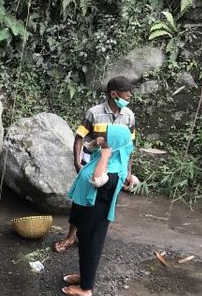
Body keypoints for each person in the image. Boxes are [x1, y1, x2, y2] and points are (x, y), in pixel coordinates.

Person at [53, 75, 138, 253]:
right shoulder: (95, 112)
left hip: (115, 166)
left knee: (104, 202)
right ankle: (71, 235)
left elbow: (129, 147)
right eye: (126, 91)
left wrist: (128, 172)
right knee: (80, 201)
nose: (130, 94)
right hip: (92, 161)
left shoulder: (129, 116)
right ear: (114, 94)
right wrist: (77, 163)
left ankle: (92, 237)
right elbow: (79, 137)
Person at [61, 124, 134, 296]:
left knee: (90, 247)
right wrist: (98, 143)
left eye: (108, 138)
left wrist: (105, 155)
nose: (104, 140)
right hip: (88, 208)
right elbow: (87, 147)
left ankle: (86, 288)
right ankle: (85, 277)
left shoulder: (114, 167)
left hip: (97, 214)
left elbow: (97, 180)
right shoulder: (109, 156)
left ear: (115, 144)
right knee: (85, 244)